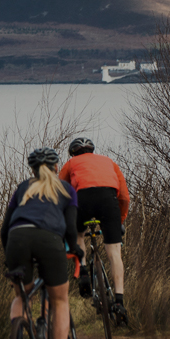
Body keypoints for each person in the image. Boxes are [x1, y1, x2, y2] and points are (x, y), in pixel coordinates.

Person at [2, 147, 84, 339]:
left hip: (17, 238)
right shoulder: (66, 189)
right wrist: (74, 248)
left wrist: (8, 256)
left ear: (32, 170)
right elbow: (71, 228)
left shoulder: (22, 188)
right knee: (59, 300)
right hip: (49, 240)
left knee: (22, 296)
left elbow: (4, 229)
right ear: (57, 167)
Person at [59, 137, 130, 321]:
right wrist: (119, 221)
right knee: (114, 252)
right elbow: (124, 196)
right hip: (108, 199)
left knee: (78, 234)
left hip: (82, 199)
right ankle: (119, 302)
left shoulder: (71, 163)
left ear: (73, 153)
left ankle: (83, 271)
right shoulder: (109, 162)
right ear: (92, 150)